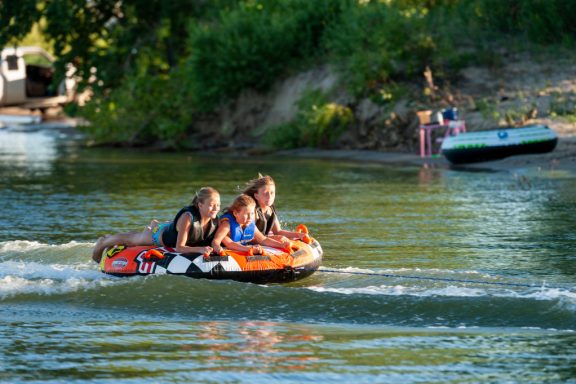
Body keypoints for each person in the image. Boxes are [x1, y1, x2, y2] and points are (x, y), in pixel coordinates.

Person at [92, 187, 221, 263]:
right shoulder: (188, 217)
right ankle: (104, 241)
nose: (215, 208)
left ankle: (154, 225)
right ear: (200, 205)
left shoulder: (215, 221)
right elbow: (180, 247)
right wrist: (199, 249)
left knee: (144, 233)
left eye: (218, 205)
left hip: (170, 227)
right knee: (134, 240)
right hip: (160, 236)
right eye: (211, 205)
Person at [211, 194, 289, 255]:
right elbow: (222, 242)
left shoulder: (250, 224)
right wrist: (250, 249)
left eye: (252, 213)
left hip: (243, 245)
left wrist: (281, 245)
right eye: (246, 214)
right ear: (235, 213)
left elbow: (263, 239)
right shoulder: (226, 224)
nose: (250, 217)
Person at [242, 174, 308, 241]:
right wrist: (272, 238)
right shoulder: (252, 212)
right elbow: (248, 238)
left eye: (272, 193)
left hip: (263, 240)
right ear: (256, 196)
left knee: (288, 238)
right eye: (265, 193)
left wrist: (298, 235)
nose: (269, 197)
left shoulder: (270, 210)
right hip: (248, 242)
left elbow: (278, 231)